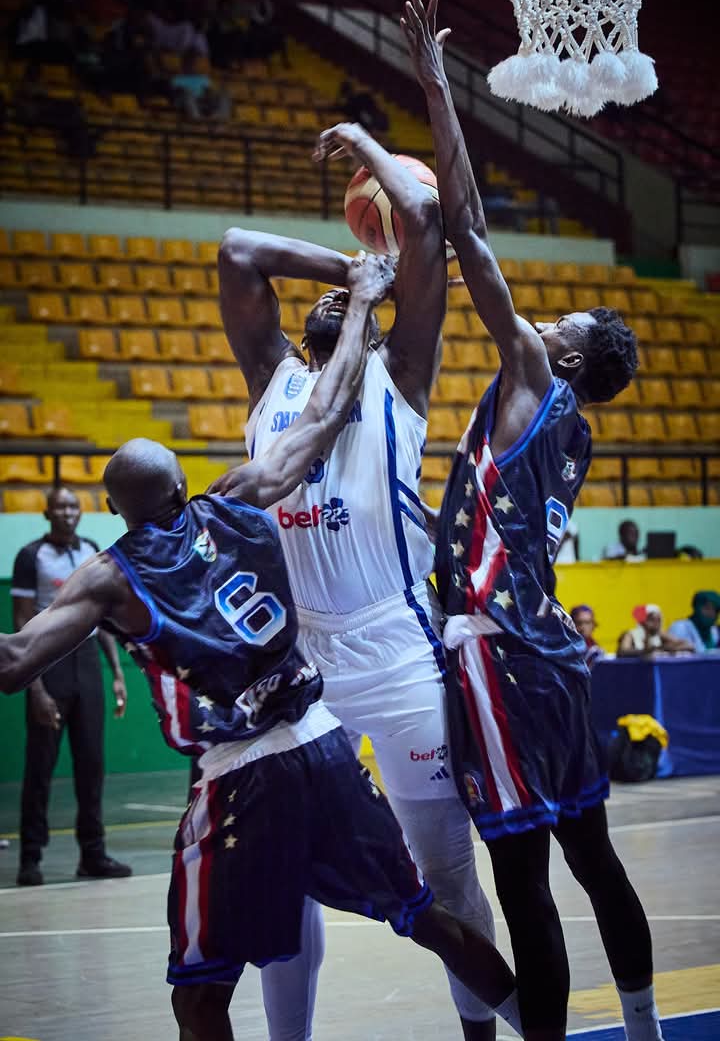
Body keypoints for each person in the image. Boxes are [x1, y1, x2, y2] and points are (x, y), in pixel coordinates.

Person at [0, 255, 521, 1041]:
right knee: (427, 916)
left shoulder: (109, 576)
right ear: (183, 490)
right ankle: (535, 1023)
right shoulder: (234, 498)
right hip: (321, 738)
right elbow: (319, 421)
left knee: (201, 991)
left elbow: (12, 660)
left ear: (113, 511)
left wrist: (359, 303)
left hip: (243, 769)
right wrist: (363, 304)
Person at [402, 0, 664, 1041]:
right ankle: (643, 1026)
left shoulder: (528, 370)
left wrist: (436, 88)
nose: (545, 314)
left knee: (525, 881)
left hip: (502, 654)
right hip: (552, 653)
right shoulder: (576, 430)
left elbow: (467, 226)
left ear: (570, 352)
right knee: (594, 856)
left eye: (566, 318)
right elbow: (489, 513)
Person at [217, 118, 508, 1041]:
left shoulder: (401, 374)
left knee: (448, 872)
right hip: (304, 663)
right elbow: (236, 249)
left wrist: (369, 155)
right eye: (333, 302)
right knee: (286, 878)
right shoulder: (272, 380)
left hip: (396, 651)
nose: (341, 307)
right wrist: (350, 269)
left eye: (361, 303)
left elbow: (424, 215)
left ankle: (483, 1034)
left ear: (378, 325)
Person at [11, 486, 131, 887]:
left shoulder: (93, 549)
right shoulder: (31, 557)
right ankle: (30, 857)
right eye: (59, 506)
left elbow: (103, 621)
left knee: (91, 765)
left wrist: (116, 673)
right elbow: (21, 624)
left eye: (73, 506)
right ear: (46, 512)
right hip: (48, 666)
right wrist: (36, 688)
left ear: (81, 513)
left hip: (87, 669)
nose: (67, 512)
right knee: (40, 767)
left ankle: (92, 854)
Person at [617, 604, 695, 658]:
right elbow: (623, 651)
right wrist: (645, 652)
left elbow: (688, 645)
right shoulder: (631, 634)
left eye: (658, 620)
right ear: (643, 621)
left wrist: (664, 649)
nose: (656, 623)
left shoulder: (660, 633)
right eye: (652, 620)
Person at [570, 605, 604, 669]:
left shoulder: (596, 652)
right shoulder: (563, 649)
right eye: (579, 623)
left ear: (593, 625)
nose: (583, 628)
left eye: (587, 623)